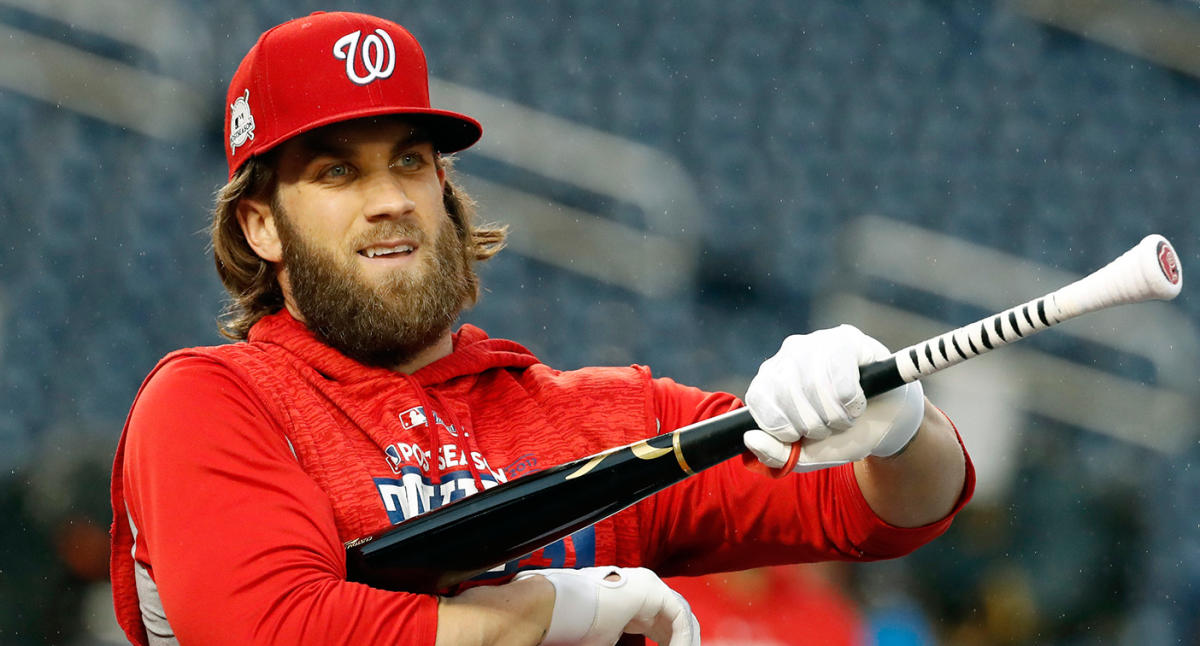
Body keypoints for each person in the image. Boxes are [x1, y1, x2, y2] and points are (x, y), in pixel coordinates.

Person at [108, 11, 974, 646]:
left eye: (411, 160)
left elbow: (883, 513)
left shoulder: (601, 418)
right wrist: (550, 612)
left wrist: (898, 423)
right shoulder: (212, 402)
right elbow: (273, 631)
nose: (390, 199)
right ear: (261, 226)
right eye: (337, 172)